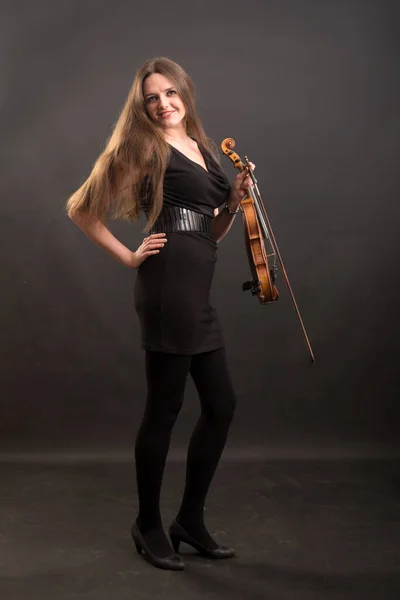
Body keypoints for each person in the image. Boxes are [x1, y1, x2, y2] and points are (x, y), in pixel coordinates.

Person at [66, 57, 254, 571]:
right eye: (152, 97)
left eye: (170, 93)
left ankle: (189, 521)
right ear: (142, 106)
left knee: (221, 407)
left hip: (197, 292)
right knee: (164, 412)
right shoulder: (142, 147)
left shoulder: (202, 148)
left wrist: (233, 203)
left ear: (185, 95)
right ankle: (148, 523)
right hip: (167, 290)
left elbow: (207, 232)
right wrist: (129, 257)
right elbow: (83, 208)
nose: (163, 103)